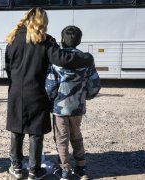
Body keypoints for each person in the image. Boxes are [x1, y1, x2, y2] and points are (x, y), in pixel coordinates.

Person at [4, 7, 94, 180]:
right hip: (37, 92)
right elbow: (63, 59)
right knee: (35, 133)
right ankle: (34, 171)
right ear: (42, 22)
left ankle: (15, 167)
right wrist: (87, 58)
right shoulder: (46, 41)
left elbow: (8, 67)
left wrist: (16, 82)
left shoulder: (12, 39)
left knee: (16, 130)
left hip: (16, 91)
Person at [45, 26, 101, 180]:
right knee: (76, 136)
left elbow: (50, 87)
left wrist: (50, 101)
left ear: (62, 40)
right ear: (79, 41)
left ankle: (64, 170)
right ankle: (81, 168)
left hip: (59, 109)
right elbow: (95, 85)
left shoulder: (56, 60)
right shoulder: (87, 59)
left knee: (62, 139)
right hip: (78, 108)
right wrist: (85, 97)